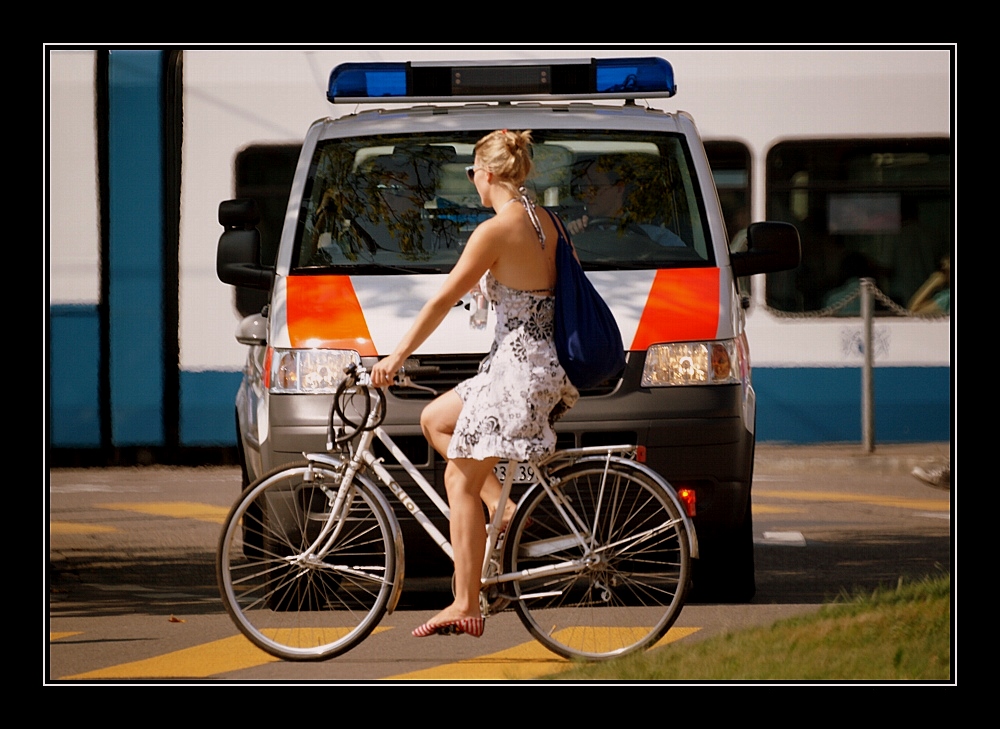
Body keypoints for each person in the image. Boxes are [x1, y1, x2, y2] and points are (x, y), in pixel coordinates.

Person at [370, 130, 579, 638]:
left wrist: (396, 355)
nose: (472, 184)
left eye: (471, 174)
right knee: (434, 419)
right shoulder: (546, 221)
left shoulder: (495, 230)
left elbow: (442, 301)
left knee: (457, 481)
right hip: (534, 365)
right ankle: (501, 505)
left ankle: (465, 602)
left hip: (517, 373)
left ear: (486, 174)